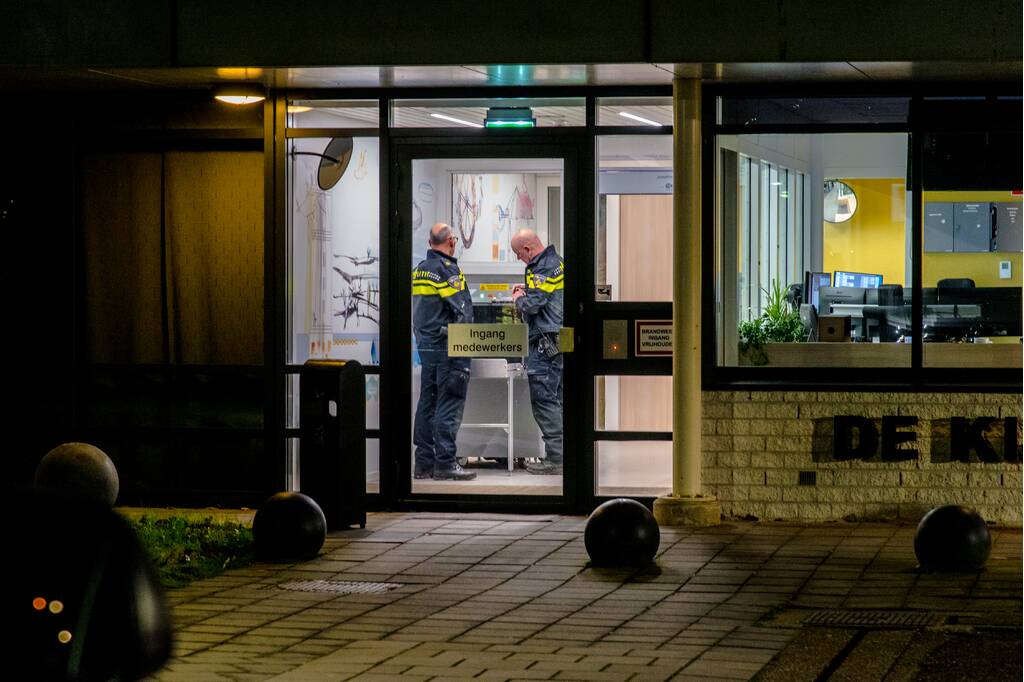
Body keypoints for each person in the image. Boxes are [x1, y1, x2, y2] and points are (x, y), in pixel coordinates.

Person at [411, 223, 476, 481]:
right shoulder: (448, 271)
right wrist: (467, 345)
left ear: (429, 243)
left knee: (427, 403)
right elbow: (462, 313)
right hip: (449, 350)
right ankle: (446, 463)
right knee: (448, 404)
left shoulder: (420, 271)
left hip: (427, 350)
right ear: (451, 241)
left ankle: (423, 464)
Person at [510, 228, 564, 475]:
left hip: (544, 342)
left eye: (518, 254)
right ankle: (564, 454)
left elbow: (533, 306)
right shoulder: (557, 263)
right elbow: (548, 295)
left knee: (543, 399)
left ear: (528, 249)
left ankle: (557, 457)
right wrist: (530, 290)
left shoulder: (541, 268)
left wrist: (520, 298)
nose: (519, 259)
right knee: (558, 399)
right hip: (559, 342)